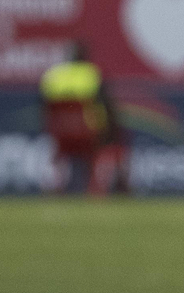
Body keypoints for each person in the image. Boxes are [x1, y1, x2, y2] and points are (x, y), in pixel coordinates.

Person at [39, 42, 128, 195]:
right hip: (88, 135)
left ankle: (55, 186)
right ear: (85, 57)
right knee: (115, 138)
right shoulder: (91, 75)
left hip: (61, 136)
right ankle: (108, 187)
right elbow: (107, 106)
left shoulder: (53, 76)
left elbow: (44, 107)